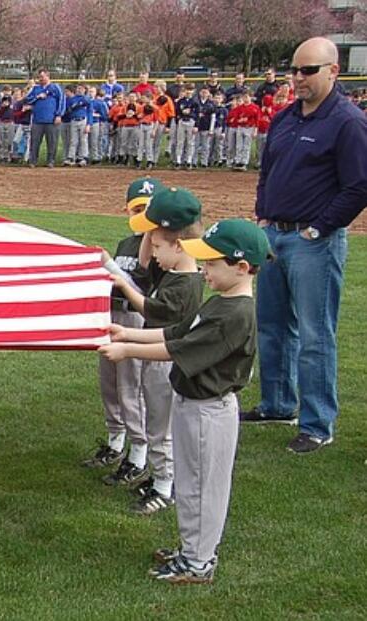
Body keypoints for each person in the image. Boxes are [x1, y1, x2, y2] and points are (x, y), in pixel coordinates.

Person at [99, 218, 272, 584]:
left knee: (203, 488)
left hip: (210, 410)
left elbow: (178, 349)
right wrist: (126, 331)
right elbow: (178, 331)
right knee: (191, 484)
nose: (204, 270)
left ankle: (198, 562)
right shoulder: (221, 303)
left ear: (242, 268)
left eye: (212, 264)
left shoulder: (234, 315)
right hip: (194, 405)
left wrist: (127, 348)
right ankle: (191, 550)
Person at [244, 37, 367, 453]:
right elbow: (268, 169)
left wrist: (320, 228)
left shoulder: (348, 121)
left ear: (334, 71)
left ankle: (318, 422)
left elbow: (358, 185)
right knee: (272, 326)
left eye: (308, 70)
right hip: (274, 234)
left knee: (316, 335)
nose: (297, 78)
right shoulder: (285, 118)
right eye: (294, 69)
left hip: (314, 241)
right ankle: (277, 404)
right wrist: (262, 213)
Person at [106, 187, 205, 515]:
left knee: (161, 428)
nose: (150, 249)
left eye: (157, 241)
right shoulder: (173, 271)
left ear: (178, 245)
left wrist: (122, 284)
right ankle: (160, 476)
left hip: (166, 364)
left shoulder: (183, 284)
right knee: (154, 421)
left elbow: (152, 311)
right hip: (156, 357)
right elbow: (147, 264)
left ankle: (165, 486)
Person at [86, 177, 157, 473]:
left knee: (131, 385)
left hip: (137, 319)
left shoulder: (160, 245)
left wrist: (109, 265)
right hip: (112, 317)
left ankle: (138, 451)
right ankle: (116, 439)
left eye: (148, 210)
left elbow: (140, 289)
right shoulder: (127, 243)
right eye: (136, 209)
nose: (142, 216)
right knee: (110, 383)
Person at [25, 69, 65, 167]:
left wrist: (58, 115)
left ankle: (50, 161)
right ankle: (33, 161)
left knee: (52, 142)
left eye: (42, 77)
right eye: (39, 77)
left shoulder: (55, 87)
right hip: (37, 120)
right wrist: (38, 97)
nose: (41, 79)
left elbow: (61, 101)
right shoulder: (35, 88)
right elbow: (28, 100)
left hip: (51, 120)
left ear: (48, 76)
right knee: (35, 141)